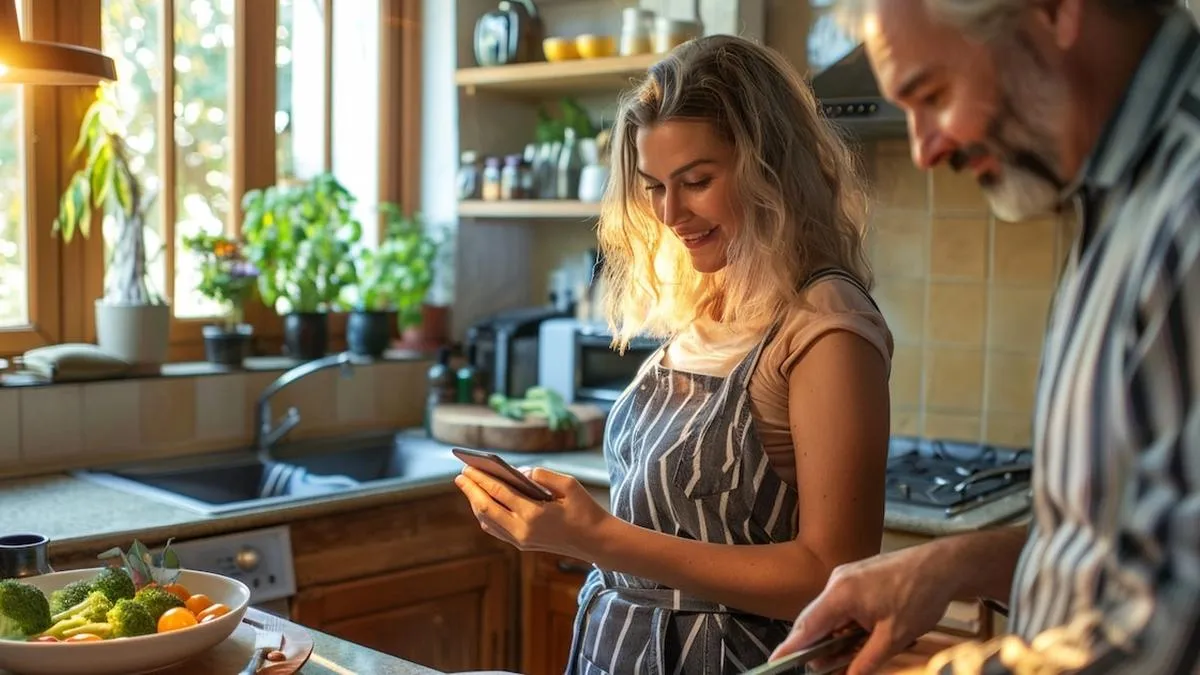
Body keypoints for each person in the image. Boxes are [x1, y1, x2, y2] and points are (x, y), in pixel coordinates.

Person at [772, 1, 1200, 673]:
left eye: (933, 93)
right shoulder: (1118, 200)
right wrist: (950, 563)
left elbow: (1161, 630)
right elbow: (1132, 545)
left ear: (1054, 11)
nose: (925, 147)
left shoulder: (1187, 208)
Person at [453, 34, 894, 674]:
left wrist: (595, 537)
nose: (670, 213)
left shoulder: (825, 326)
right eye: (656, 186)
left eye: (696, 181)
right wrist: (577, 532)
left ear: (771, 167)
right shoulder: (714, 297)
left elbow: (831, 571)